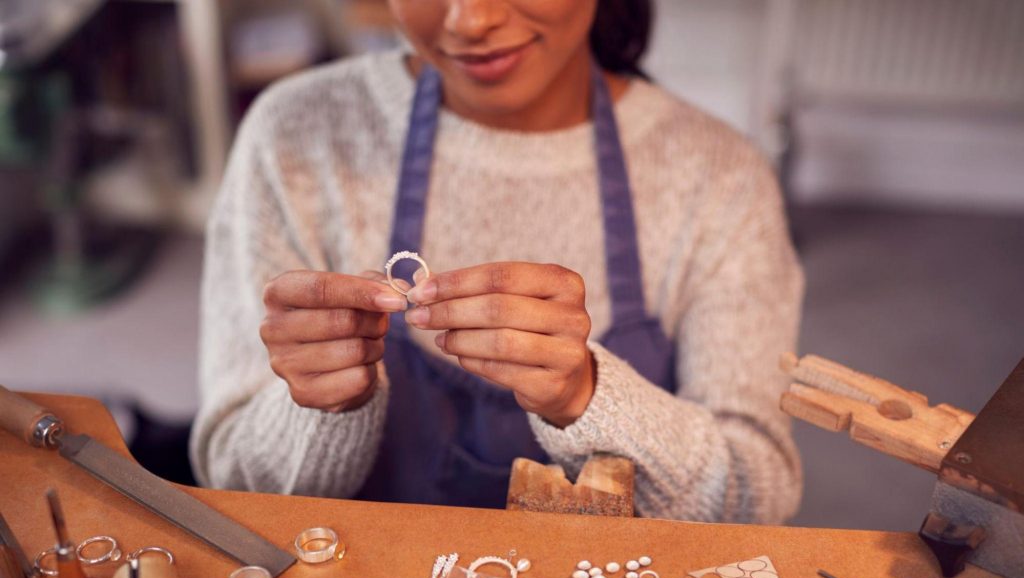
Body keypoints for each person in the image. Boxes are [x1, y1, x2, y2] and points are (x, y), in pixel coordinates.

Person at [190, 0, 804, 524]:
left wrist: (586, 396)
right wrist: (324, 409)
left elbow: (756, 494)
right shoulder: (294, 136)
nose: (471, 20)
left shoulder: (720, 177)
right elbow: (233, 481)